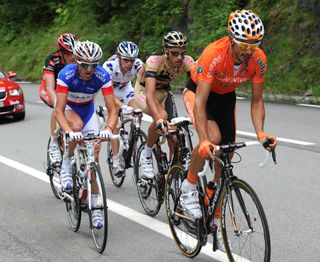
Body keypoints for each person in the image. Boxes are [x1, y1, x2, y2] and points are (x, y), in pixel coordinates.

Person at [181, 9, 278, 224]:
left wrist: (260, 133)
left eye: (254, 46)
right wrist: (204, 139)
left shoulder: (258, 60)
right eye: (244, 45)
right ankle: (187, 186)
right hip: (199, 93)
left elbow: (257, 101)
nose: (249, 51)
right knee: (212, 140)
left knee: (228, 153)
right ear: (232, 40)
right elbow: (200, 101)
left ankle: (213, 193)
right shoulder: (214, 54)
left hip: (225, 97)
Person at [55, 40, 118, 228]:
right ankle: (66, 161)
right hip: (69, 108)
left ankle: (95, 203)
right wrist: (67, 131)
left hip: (88, 110)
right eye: (84, 65)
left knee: (94, 158)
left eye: (93, 65)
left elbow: (112, 110)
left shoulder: (102, 75)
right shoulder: (66, 74)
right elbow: (58, 111)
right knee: (76, 126)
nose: (89, 69)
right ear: (77, 61)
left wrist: (108, 129)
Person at [135, 31, 194, 179]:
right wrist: (159, 120)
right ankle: (146, 154)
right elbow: (149, 95)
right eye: (174, 53)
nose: (179, 57)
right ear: (166, 51)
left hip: (164, 93)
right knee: (161, 117)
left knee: (174, 136)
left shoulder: (187, 62)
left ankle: (172, 174)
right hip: (144, 91)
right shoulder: (154, 61)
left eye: (182, 53)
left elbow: (197, 88)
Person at [102, 41, 145, 176]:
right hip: (111, 92)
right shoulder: (109, 66)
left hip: (127, 89)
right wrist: (123, 107)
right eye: (126, 60)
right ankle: (115, 160)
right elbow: (107, 93)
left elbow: (145, 81)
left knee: (137, 113)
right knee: (114, 122)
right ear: (119, 57)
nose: (129, 64)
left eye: (132, 60)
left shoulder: (138, 64)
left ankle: (132, 143)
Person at [39, 33, 79, 167]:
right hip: (50, 89)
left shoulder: (79, 59)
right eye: (68, 53)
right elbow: (50, 87)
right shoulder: (52, 60)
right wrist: (58, 105)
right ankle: (54, 142)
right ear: (61, 53)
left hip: (67, 90)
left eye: (74, 52)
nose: (72, 56)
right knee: (58, 107)